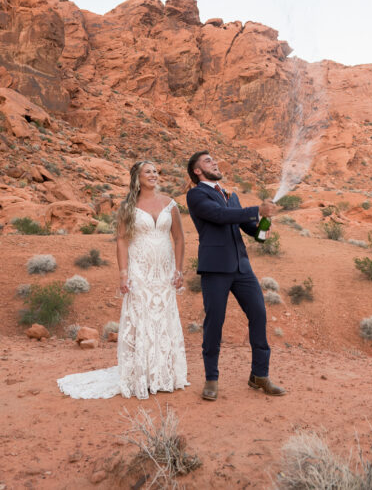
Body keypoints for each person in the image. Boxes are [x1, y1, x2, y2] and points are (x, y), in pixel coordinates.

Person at [57, 160, 189, 399]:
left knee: (163, 317)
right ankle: (141, 375)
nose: (153, 174)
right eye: (148, 171)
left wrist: (179, 270)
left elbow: (179, 239)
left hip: (164, 270)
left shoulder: (170, 204)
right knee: (142, 318)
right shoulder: (128, 206)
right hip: (140, 269)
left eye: (156, 171)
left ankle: (162, 375)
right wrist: (123, 273)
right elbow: (121, 240)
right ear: (137, 177)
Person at [186, 150, 286, 401]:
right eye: (208, 161)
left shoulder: (231, 195)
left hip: (242, 267)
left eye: (214, 159)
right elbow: (219, 216)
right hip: (215, 268)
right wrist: (256, 209)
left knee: (259, 314)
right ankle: (211, 378)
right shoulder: (196, 194)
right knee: (214, 322)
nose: (215, 162)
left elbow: (248, 229)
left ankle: (259, 375)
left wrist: (262, 225)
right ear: (197, 171)